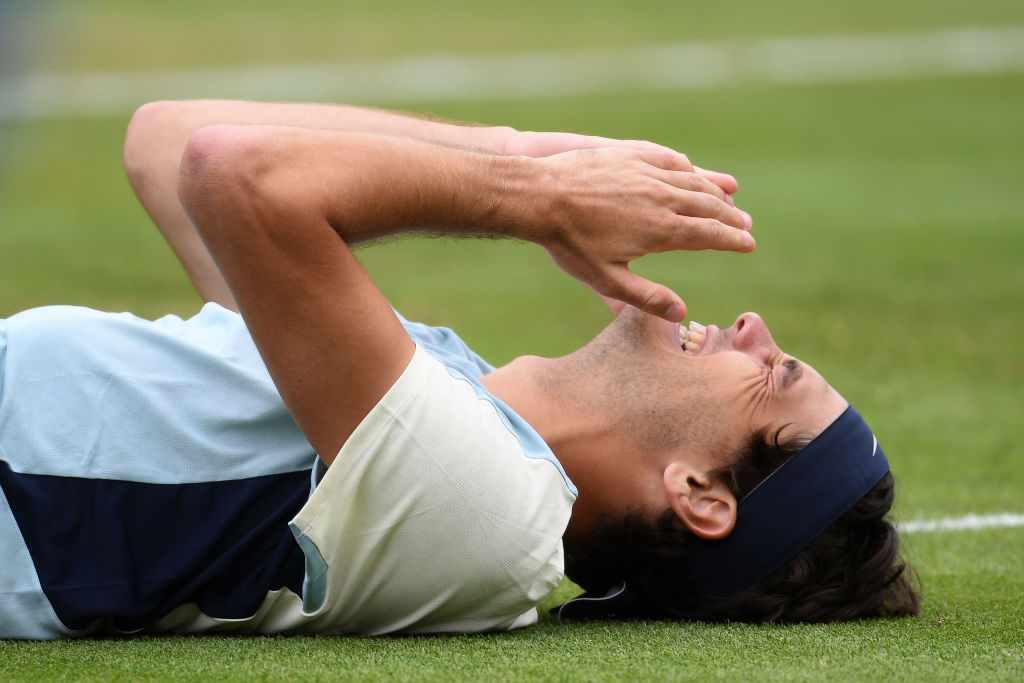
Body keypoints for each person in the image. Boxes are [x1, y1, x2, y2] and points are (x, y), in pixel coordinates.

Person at [0, 100, 919, 639]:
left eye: (775, 375)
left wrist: (536, 195)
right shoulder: (452, 393)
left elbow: (234, 173)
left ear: (700, 493)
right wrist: (525, 155)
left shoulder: (493, 515)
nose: (755, 327)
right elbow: (165, 142)